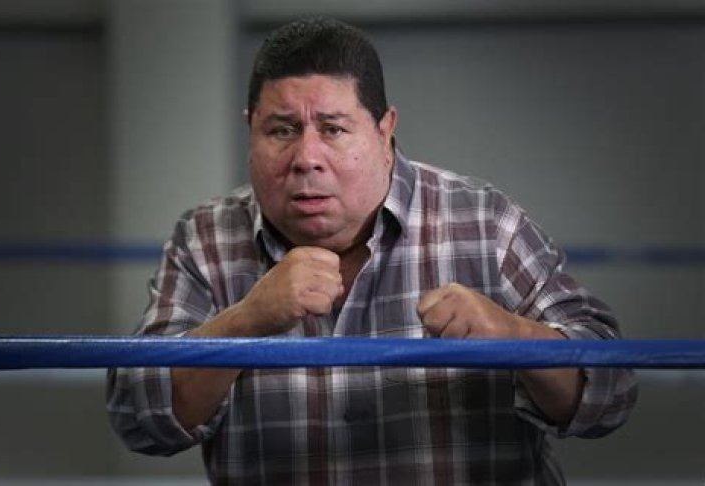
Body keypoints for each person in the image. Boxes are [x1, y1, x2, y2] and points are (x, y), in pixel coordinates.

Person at [107, 17, 638, 484]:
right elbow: (139, 419)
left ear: (384, 131)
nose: (306, 157)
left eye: (333, 129)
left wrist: (513, 336)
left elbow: (611, 394)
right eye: (282, 130)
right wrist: (244, 323)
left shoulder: (483, 221)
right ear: (251, 131)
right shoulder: (206, 239)